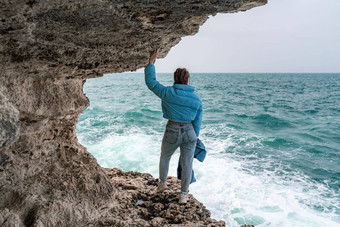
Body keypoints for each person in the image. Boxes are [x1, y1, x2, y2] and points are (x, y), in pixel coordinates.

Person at [144, 49, 203, 204]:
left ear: (175, 78)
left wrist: (151, 63)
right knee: (187, 163)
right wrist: (193, 138)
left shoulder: (168, 92)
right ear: (188, 80)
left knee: (165, 157)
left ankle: (162, 184)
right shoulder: (196, 99)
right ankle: (183, 195)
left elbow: (151, 83)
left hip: (172, 129)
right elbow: (197, 122)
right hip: (190, 132)